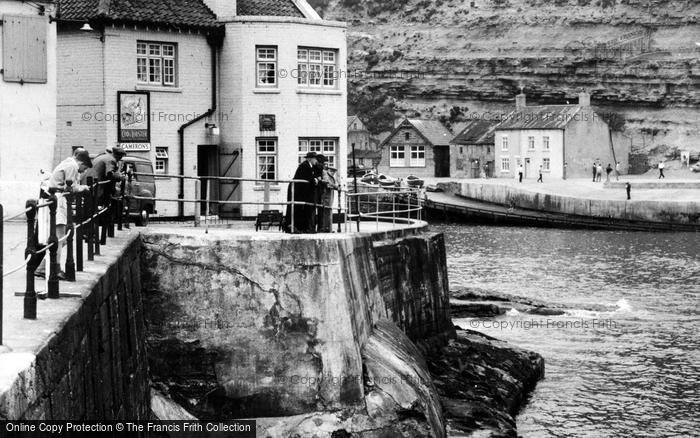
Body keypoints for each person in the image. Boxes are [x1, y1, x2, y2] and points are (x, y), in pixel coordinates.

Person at [34, 150, 93, 279]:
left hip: (55, 199)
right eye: (84, 168)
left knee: (62, 238)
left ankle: (44, 267)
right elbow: (70, 187)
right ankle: (55, 268)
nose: (83, 171)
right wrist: (83, 188)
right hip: (58, 200)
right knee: (60, 237)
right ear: (81, 163)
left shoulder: (67, 163)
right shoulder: (72, 166)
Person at [284, 152, 318, 233]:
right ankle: (292, 226)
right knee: (295, 207)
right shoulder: (305, 166)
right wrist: (314, 180)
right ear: (310, 158)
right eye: (314, 158)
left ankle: (299, 227)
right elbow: (308, 177)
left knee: (299, 207)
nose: (316, 160)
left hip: (300, 190)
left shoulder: (309, 166)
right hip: (296, 190)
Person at [320, 165, 339, 232]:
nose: (333, 172)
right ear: (328, 170)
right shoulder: (326, 175)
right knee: (326, 212)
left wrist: (336, 186)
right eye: (332, 171)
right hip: (326, 196)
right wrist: (336, 187)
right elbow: (328, 184)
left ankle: (328, 227)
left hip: (329, 197)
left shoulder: (331, 177)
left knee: (328, 212)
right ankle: (326, 227)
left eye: (334, 171)